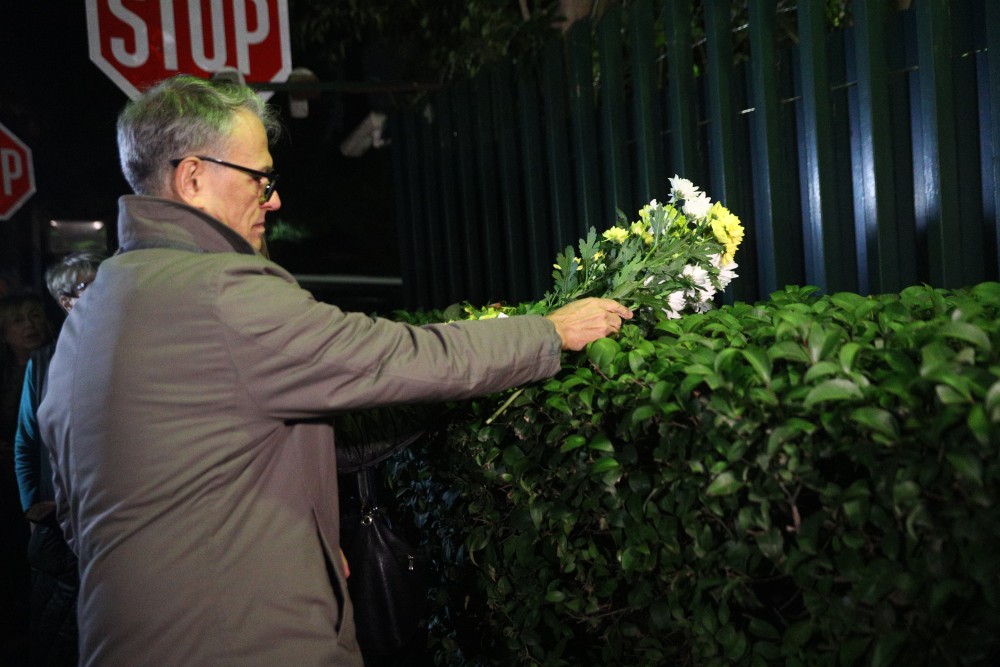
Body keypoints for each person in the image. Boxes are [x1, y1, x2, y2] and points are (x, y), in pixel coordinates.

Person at [38, 74, 632, 667]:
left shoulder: (93, 309)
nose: (273, 199)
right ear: (193, 177)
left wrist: (299, 545)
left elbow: (83, 499)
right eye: (259, 178)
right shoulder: (221, 293)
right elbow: (393, 357)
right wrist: (549, 331)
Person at [14, 251, 103, 666]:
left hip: (107, 512)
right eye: (89, 286)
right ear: (66, 300)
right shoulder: (43, 362)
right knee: (58, 632)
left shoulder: (127, 347)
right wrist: (32, 502)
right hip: (57, 514)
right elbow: (27, 440)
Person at [0, 294, 54, 665]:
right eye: (19, 321)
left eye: (35, 317)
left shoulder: (53, 362)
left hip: (41, 480)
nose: (30, 325)